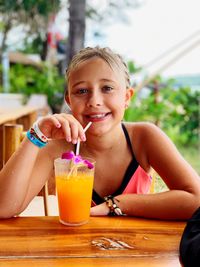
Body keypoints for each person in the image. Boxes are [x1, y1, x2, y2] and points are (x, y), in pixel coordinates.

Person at [0, 46, 199, 219]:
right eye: (81, 91)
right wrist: (36, 135)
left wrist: (118, 204)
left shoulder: (144, 138)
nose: (94, 100)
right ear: (69, 101)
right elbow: (4, 208)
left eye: (107, 88)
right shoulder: (57, 146)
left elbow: (196, 199)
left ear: (126, 97)